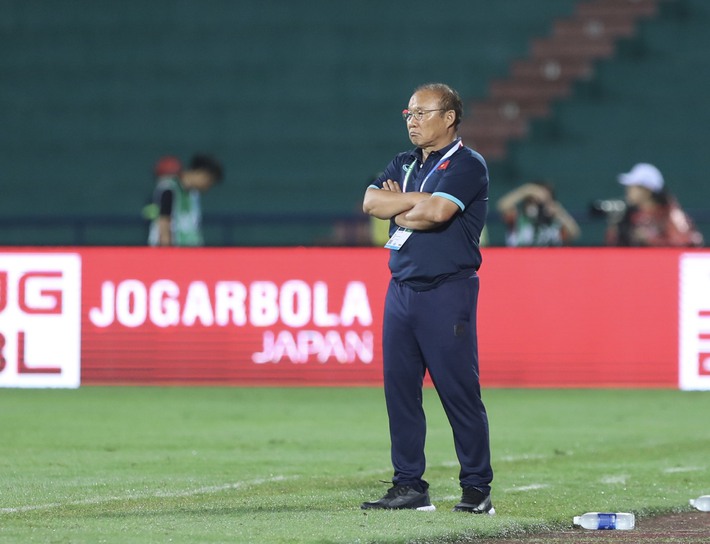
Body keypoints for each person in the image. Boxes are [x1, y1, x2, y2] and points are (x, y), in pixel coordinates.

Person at [361, 83, 494, 514]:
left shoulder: (468, 164)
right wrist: (414, 203)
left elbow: (437, 214)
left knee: (458, 392)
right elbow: (369, 201)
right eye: (409, 114)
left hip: (446, 290)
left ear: (450, 117)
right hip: (400, 289)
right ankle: (409, 487)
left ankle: (476, 489)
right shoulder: (403, 162)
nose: (412, 121)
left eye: (422, 113)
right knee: (400, 392)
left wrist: (401, 205)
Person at [605, 163, 703, 247]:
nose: (628, 191)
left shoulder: (671, 215)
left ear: (648, 190)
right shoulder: (630, 214)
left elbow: (689, 244)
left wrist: (651, 239)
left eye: (633, 187)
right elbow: (614, 246)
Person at [147, 154, 224, 247]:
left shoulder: (194, 195)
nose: (207, 187)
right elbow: (164, 223)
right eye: (209, 181)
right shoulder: (168, 188)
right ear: (200, 173)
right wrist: (166, 253)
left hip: (190, 253)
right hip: (173, 253)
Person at [497, 181, 580, 246]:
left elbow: (574, 234)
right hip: (521, 262)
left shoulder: (555, 221)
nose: (538, 205)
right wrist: (526, 191)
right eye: (533, 200)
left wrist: (560, 213)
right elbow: (502, 206)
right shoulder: (518, 218)